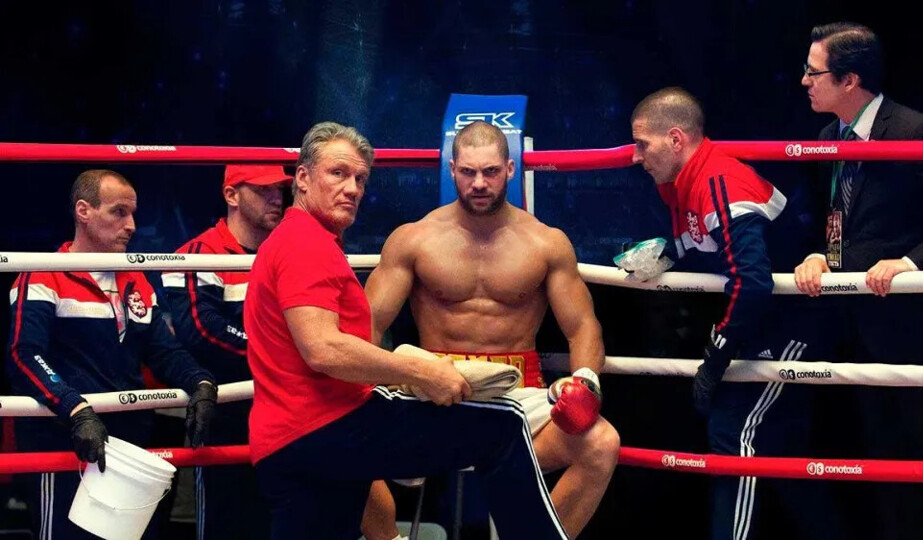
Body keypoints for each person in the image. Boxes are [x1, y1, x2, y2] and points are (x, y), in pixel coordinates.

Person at [245, 121, 568, 540]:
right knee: (503, 427)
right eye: (338, 173)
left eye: (360, 178)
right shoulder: (304, 242)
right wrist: (424, 371)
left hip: (293, 439)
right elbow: (323, 348)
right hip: (325, 426)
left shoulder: (304, 239)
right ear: (302, 178)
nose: (352, 188)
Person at [363, 120, 621, 538]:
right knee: (336, 432)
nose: (479, 183)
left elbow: (582, 327)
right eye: (468, 172)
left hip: (516, 396)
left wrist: (586, 383)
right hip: (433, 394)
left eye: (491, 171)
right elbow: (369, 324)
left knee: (600, 443)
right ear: (452, 170)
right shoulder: (414, 239)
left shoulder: (546, 242)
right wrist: (360, 390)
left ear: (510, 169)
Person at [631, 87, 841, 540]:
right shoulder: (681, 183)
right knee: (783, 450)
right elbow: (706, 245)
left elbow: (754, 282)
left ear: (675, 139)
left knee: (735, 433)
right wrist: (662, 256)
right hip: (761, 322)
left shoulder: (718, 181)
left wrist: (716, 356)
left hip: (793, 321)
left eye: (642, 144)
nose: (635, 156)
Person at [793, 22, 923, 540]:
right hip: (858, 325)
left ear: (849, 80)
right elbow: (840, 216)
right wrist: (821, 255)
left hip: (917, 329)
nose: (803, 81)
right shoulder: (829, 137)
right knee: (880, 460)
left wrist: (911, 262)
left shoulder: (915, 130)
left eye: (813, 72)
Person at [5, 169, 217, 539]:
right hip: (63, 441)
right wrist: (75, 409)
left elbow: (163, 352)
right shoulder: (42, 274)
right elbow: (24, 354)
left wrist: (200, 382)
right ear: (83, 211)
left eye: (133, 213)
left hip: (127, 446)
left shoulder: (135, 279)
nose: (131, 225)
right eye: (119, 212)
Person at [162, 164, 292, 540]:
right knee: (227, 521)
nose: (276, 198)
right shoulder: (196, 254)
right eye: (263, 190)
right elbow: (201, 331)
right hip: (229, 411)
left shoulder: (288, 252)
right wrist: (281, 354)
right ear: (231, 195)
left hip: (287, 407)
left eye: (280, 189)